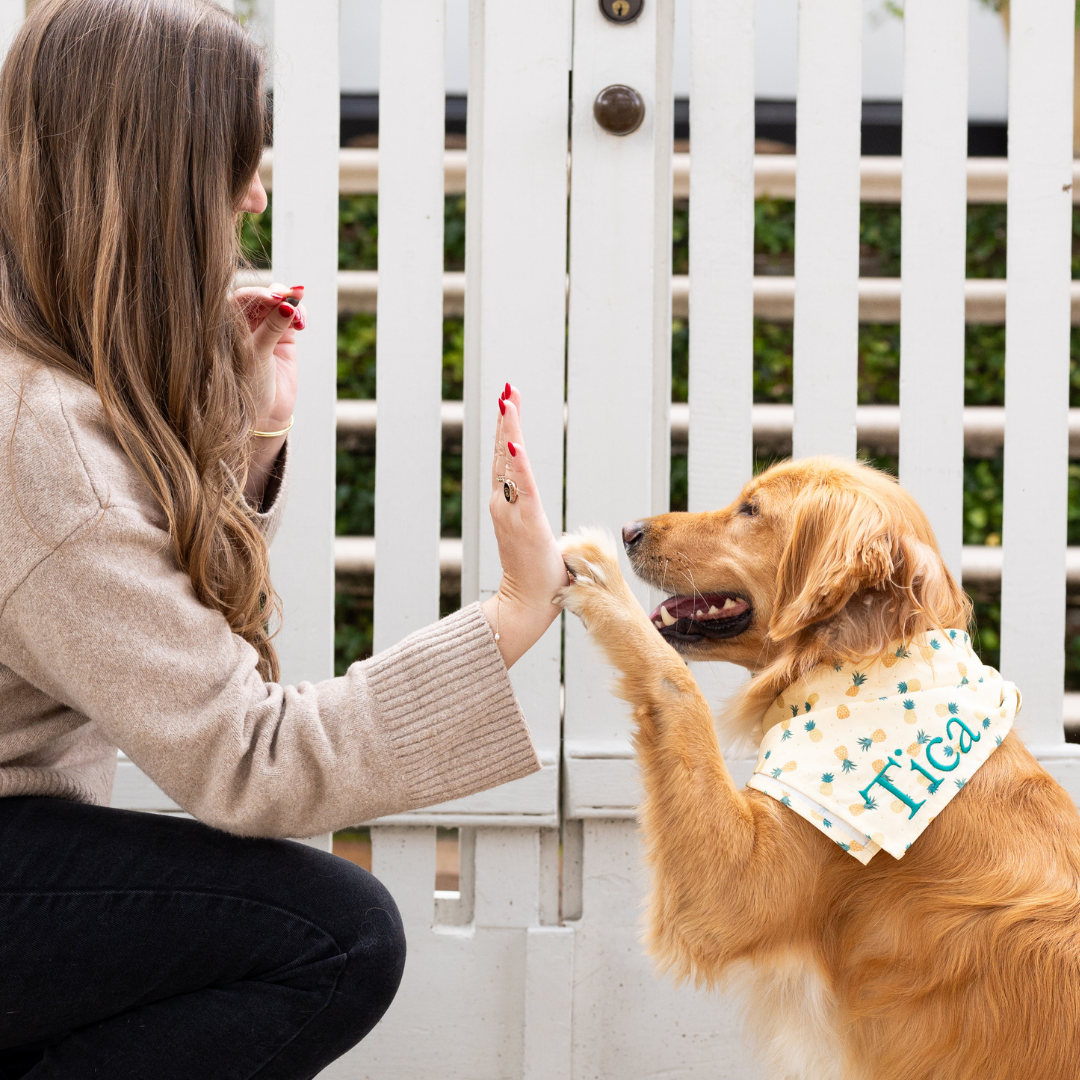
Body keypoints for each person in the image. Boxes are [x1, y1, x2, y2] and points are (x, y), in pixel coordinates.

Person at [0, 2, 568, 1077]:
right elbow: (249, 761)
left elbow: (132, 614)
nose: (256, 194)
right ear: (153, 174)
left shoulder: (34, 382)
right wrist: (511, 616)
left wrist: (249, 434)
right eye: (235, 161)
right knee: (335, 934)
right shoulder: (40, 440)